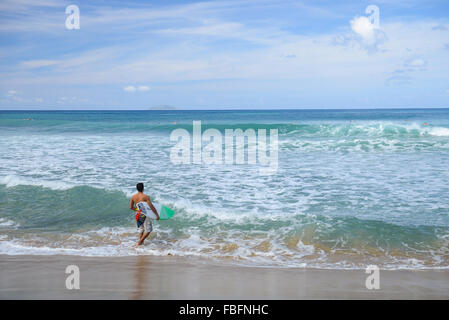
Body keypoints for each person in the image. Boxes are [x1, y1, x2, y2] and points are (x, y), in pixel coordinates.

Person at [130, 183, 159, 247]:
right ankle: (139, 243)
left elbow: (131, 207)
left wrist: (137, 210)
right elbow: (151, 206)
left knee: (141, 229)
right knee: (148, 230)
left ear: (137, 188)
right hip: (144, 214)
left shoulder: (133, 197)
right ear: (143, 188)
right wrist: (156, 215)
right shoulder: (145, 197)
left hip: (138, 214)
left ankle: (141, 245)